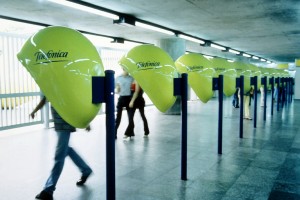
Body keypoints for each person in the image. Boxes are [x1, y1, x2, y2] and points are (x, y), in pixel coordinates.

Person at [31, 96, 92, 200]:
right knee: (67, 150)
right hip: (59, 125)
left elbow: (75, 103)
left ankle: (48, 190)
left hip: (66, 125)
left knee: (59, 157)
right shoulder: (51, 85)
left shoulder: (63, 84)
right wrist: (35, 110)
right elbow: (44, 99)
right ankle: (86, 170)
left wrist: (85, 121)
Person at [115, 68, 134, 139]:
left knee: (130, 117)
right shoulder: (118, 78)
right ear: (123, 69)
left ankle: (130, 132)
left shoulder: (131, 78)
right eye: (126, 69)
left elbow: (133, 89)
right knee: (118, 118)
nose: (128, 71)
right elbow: (116, 90)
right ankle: (114, 134)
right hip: (121, 98)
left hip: (129, 99)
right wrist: (117, 89)